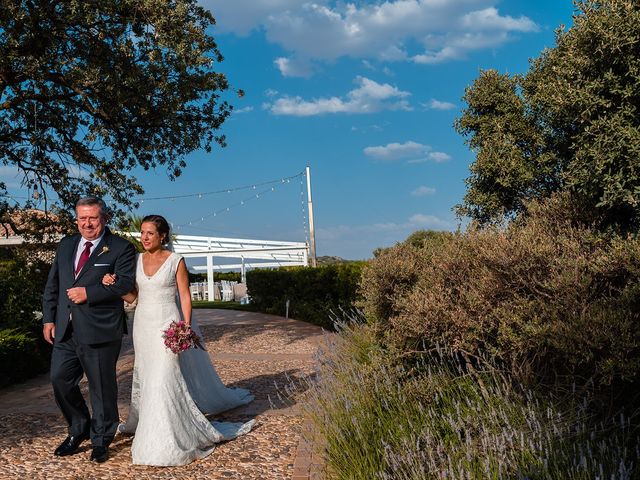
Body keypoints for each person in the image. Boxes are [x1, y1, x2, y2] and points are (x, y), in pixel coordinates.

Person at [104, 214, 254, 466]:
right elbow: (133, 298)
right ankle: (150, 428)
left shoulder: (175, 261)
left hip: (167, 325)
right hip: (143, 327)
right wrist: (115, 284)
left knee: (164, 378)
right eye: (142, 233)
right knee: (149, 377)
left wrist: (184, 326)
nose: (144, 238)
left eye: (149, 233)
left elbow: (185, 296)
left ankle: (166, 439)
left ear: (162, 235)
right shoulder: (137, 260)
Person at [42, 196, 136, 463]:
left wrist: (89, 293)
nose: (87, 223)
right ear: (76, 220)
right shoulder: (66, 245)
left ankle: (101, 439)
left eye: (92, 218)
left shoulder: (121, 247)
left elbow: (126, 285)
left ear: (104, 218)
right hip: (65, 330)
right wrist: (49, 319)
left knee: (102, 389)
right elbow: (54, 285)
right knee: (60, 380)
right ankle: (78, 428)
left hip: (100, 329)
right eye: (82, 218)